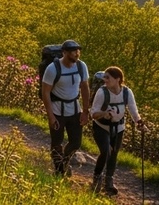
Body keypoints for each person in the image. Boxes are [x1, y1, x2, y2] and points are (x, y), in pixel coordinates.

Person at [89, 66, 144, 195]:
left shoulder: (127, 92)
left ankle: (109, 180)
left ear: (118, 79)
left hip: (119, 128)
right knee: (106, 151)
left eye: (108, 77)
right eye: (104, 77)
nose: (105, 80)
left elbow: (133, 110)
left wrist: (139, 123)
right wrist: (104, 114)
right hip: (101, 126)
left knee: (114, 154)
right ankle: (97, 178)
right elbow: (93, 113)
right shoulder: (102, 92)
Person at [40, 39, 91, 176]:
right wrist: (50, 116)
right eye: (73, 51)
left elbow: (85, 88)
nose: (77, 53)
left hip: (75, 110)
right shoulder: (52, 69)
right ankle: (59, 170)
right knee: (57, 142)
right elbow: (45, 92)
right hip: (57, 110)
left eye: (78, 51)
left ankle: (65, 162)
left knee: (75, 142)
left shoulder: (81, 66)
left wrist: (85, 111)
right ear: (64, 53)